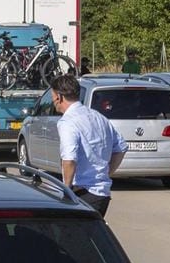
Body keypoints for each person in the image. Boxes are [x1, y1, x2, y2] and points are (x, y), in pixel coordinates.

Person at [51, 74, 125, 216]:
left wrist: (66, 191)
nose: (53, 101)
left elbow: (69, 159)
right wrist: (105, 173)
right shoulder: (98, 116)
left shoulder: (67, 122)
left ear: (59, 97)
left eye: (52, 97)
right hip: (102, 194)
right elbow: (121, 147)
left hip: (82, 194)